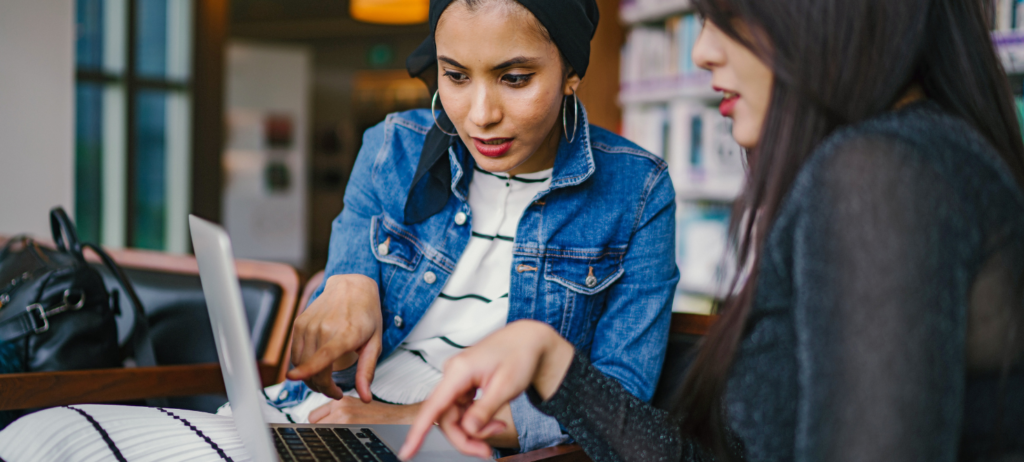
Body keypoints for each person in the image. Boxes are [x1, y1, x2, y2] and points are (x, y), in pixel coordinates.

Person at [400, 0, 1024, 460]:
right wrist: (552, 363)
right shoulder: (915, 157)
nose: (702, 51)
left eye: (727, 13)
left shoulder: (881, 175)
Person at [261, 0, 678, 455]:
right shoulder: (391, 147)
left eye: (515, 79)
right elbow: (341, 368)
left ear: (571, 73)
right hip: (320, 416)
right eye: (456, 76)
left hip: (456, 445)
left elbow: (616, 404)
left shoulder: (638, 190)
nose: (481, 115)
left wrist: (411, 420)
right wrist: (344, 292)